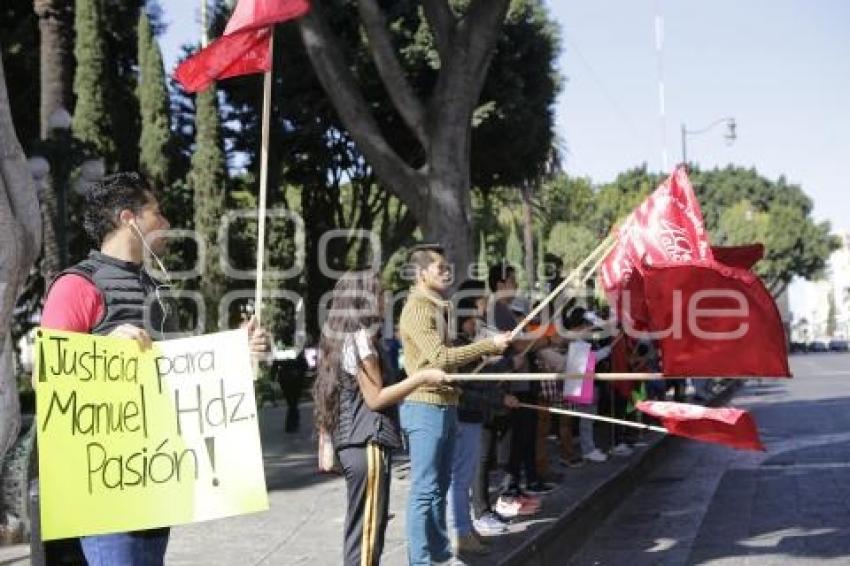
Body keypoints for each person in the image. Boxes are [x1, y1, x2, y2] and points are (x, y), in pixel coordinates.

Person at [39, 172, 269, 566]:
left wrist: (238, 354)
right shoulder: (76, 286)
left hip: (154, 482)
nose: (164, 223)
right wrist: (102, 349)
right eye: (156, 213)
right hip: (104, 492)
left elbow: (184, 377)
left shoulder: (157, 290)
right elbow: (47, 376)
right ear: (129, 218)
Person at [312, 271, 448, 566]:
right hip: (368, 443)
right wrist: (421, 378)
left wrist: (326, 440)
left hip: (352, 443)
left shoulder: (336, 337)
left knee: (361, 531)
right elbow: (376, 398)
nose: (386, 301)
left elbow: (327, 393)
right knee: (368, 537)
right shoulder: (361, 340)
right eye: (381, 294)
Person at [398, 244, 511, 565]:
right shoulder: (419, 308)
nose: (447, 272)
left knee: (439, 487)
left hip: (444, 405)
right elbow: (441, 357)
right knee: (425, 490)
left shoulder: (436, 307)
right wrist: (485, 345)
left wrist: (484, 353)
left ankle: (439, 554)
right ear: (421, 274)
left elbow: (446, 362)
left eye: (448, 267)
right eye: (440, 268)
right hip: (425, 407)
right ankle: (421, 560)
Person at [446, 280, 519, 557]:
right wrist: (500, 399)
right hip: (464, 416)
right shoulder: (459, 346)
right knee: (460, 478)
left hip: (474, 416)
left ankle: (466, 530)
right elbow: (470, 389)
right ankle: (459, 532)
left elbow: (484, 380)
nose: (479, 320)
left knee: (464, 476)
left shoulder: (470, 342)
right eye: (475, 315)